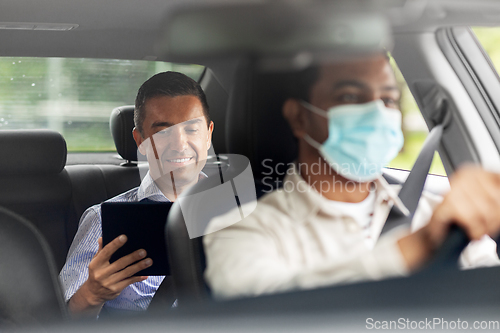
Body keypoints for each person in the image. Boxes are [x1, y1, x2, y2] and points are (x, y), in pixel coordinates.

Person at [203, 53, 500, 300]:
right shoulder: (240, 231)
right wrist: (417, 248)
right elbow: (262, 311)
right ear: (299, 117)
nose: (375, 112)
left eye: (387, 99)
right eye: (349, 96)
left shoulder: (436, 212)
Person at [60, 71, 214, 316]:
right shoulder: (102, 220)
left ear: (208, 134)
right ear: (140, 140)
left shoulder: (242, 211)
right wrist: (92, 293)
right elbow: (61, 323)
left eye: (191, 130)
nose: (180, 144)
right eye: (163, 132)